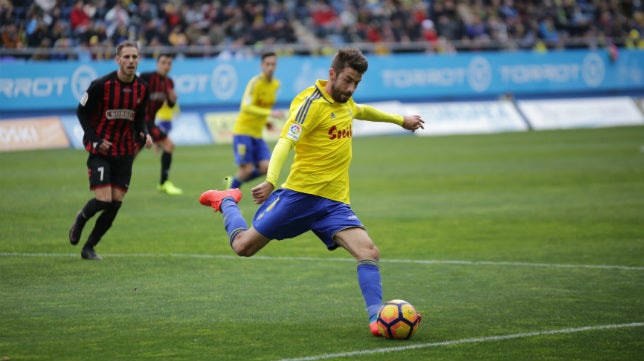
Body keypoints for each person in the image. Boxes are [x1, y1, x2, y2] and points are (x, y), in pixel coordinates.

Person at [199, 48, 425, 336]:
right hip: (298, 197)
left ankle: (376, 319)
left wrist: (399, 120)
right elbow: (284, 142)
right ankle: (227, 201)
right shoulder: (311, 104)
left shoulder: (346, 102)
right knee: (243, 247)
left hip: (333, 203)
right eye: (347, 80)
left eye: (356, 83)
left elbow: (362, 110)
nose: (351, 88)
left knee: (368, 252)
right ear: (332, 74)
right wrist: (270, 180)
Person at [69, 40, 153, 260]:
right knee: (104, 199)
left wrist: (144, 134)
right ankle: (81, 218)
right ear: (117, 59)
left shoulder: (142, 88)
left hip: (125, 153)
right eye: (126, 57)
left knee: (115, 203)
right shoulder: (101, 85)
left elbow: (140, 118)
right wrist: (94, 138)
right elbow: (81, 112)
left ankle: (89, 247)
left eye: (134, 57)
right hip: (101, 152)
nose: (131, 61)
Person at [225, 51, 284, 190]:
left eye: (273, 64)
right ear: (261, 65)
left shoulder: (275, 85)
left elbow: (261, 105)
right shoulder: (255, 83)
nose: (270, 67)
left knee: (267, 168)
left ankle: (234, 183)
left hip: (257, 133)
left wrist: (266, 122)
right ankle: (229, 194)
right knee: (247, 169)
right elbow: (246, 106)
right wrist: (270, 113)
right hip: (243, 131)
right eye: (267, 64)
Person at [139, 53, 183, 195]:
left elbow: (169, 105)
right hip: (138, 120)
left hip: (150, 122)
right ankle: (116, 180)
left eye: (169, 63)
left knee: (169, 145)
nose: (166, 66)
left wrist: (172, 100)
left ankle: (163, 183)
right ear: (157, 64)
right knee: (130, 153)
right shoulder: (146, 78)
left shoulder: (169, 83)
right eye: (163, 62)